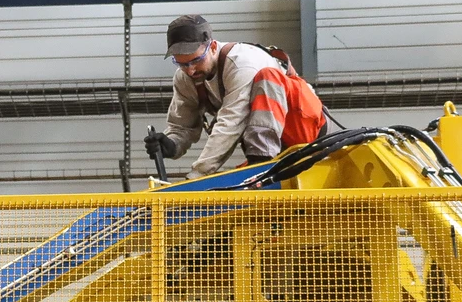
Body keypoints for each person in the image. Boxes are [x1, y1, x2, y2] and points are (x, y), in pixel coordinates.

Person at [145, 14, 339, 179]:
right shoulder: (186, 78)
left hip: (306, 131)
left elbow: (230, 123)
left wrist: (196, 176)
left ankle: (260, 166)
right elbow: (182, 126)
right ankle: (259, 166)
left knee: (267, 77)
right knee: (228, 190)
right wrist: (172, 144)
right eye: (181, 64)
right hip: (276, 148)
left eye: (196, 60)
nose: (190, 69)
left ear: (212, 47)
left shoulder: (242, 63)